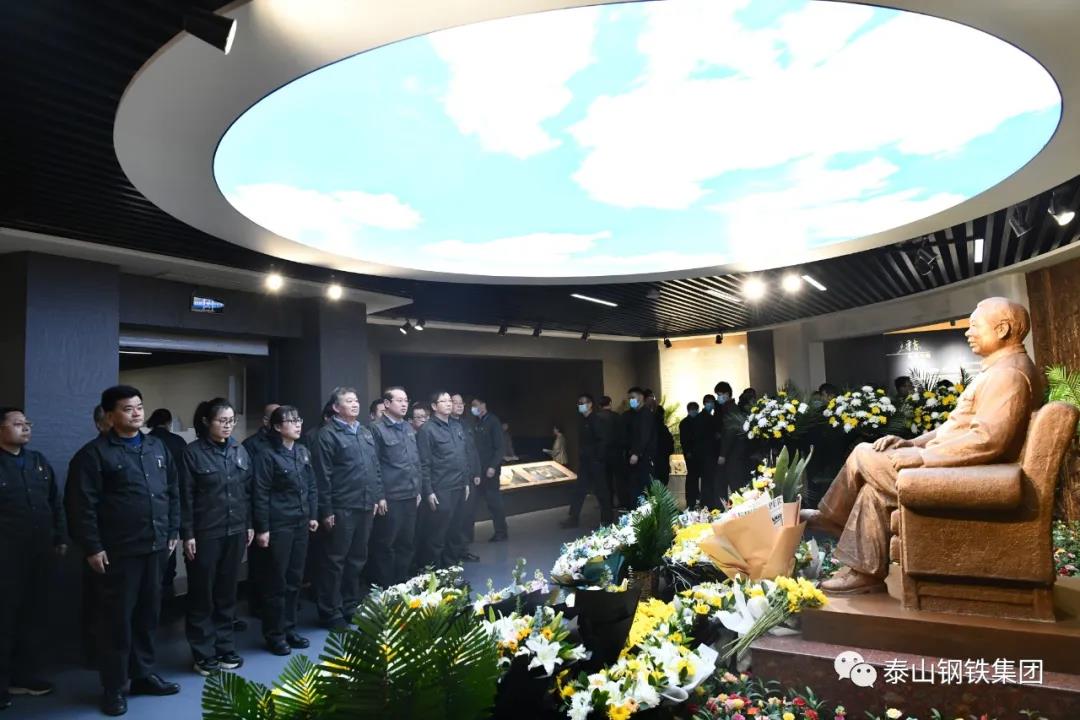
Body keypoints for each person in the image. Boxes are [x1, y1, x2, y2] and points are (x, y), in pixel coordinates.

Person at [803, 298, 1043, 595]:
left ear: (1002, 329)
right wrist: (911, 442)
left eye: (974, 326)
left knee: (863, 453)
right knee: (871, 491)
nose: (968, 332)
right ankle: (865, 572)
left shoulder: (1009, 374)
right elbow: (955, 429)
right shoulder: (1001, 370)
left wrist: (921, 456)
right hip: (960, 467)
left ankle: (830, 518)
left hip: (968, 475)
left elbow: (988, 440)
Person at [66, 385, 180, 717]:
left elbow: (172, 491)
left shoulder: (156, 446)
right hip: (118, 551)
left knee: (148, 615)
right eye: (128, 408)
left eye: (139, 407)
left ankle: (143, 675)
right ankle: (113, 686)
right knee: (116, 621)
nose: (136, 413)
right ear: (110, 415)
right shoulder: (93, 454)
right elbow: (81, 505)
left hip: (155, 545)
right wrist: (92, 546)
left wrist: (173, 530)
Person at [179, 399, 253, 676]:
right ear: (207, 422)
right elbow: (185, 497)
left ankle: (224, 647)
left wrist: (249, 524)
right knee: (202, 594)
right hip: (205, 533)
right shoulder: (192, 454)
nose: (227, 425)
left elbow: (248, 491)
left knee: (226, 593)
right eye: (222, 420)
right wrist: (187, 534)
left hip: (235, 531)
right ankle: (202, 653)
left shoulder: (239, 450)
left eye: (231, 420)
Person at [0, 408, 65, 712]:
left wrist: (60, 537)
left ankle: (23, 676)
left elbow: (55, 501)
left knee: (33, 617)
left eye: (27, 423)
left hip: (39, 554)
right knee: (4, 620)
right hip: (6, 558)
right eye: (17, 424)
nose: (25, 428)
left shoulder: (38, 461)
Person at [312, 387, 384, 630]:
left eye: (356, 400)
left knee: (357, 559)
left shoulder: (364, 432)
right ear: (335, 407)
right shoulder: (327, 435)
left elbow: (374, 467)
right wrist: (326, 510)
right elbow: (322, 476)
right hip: (341, 506)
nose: (355, 404)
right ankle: (329, 611)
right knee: (335, 561)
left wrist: (376, 496)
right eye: (349, 401)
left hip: (365, 504)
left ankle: (350, 606)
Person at [252, 406, 318, 655]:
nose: (298, 424)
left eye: (298, 419)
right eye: (291, 421)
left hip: (300, 521)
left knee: (294, 579)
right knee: (276, 581)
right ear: (278, 427)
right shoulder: (266, 455)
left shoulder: (302, 451)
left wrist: (312, 514)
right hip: (278, 524)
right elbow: (260, 493)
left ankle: (290, 628)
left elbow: (312, 485)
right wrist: (262, 528)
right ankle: (275, 634)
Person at [368, 387, 422, 587]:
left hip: (410, 493)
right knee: (386, 544)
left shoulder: (407, 427)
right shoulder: (376, 428)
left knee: (406, 543)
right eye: (399, 400)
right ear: (387, 403)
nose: (404, 404)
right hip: (391, 496)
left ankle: (402, 583)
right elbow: (373, 465)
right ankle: (387, 587)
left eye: (406, 400)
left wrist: (418, 489)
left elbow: (415, 460)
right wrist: (379, 495)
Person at [415, 391, 472, 569]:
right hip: (441, 488)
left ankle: (451, 570)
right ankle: (433, 573)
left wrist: (466, 482)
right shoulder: (427, 429)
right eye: (444, 401)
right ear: (434, 406)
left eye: (449, 401)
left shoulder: (456, 426)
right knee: (437, 534)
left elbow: (463, 456)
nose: (449, 404)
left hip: (459, 486)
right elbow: (424, 464)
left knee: (455, 531)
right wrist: (428, 491)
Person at [146, 409, 187, 604]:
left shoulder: (147, 442)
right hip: (176, 501)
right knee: (171, 546)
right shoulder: (178, 442)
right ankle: (168, 594)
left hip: (153, 504)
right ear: (169, 422)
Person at [563, 394, 614, 527]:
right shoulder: (582, 421)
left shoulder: (596, 420)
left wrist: (598, 457)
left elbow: (603, 440)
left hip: (595, 461)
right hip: (585, 461)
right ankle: (573, 518)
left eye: (583, 402)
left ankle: (607, 519)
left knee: (601, 490)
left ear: (590, 404)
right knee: (579, 489)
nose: (580, 405)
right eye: (579, 403)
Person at [470, 397, 508, 542]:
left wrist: (493, 466)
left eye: (475, 405)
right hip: (479, 470)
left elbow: (500, 447)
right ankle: (468, 536)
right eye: (472, 406)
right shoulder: (477, 423)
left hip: (490, 471)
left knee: (494, 503)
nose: (473, 408)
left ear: (483, 405)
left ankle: (501, 532)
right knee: (473, 503)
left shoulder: (493, 421)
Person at [452, 394, 483, 560]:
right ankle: (455, 551)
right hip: (455, 479)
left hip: (470, 477)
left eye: (461, 403)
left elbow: (473, 450)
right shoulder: (447, 425)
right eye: (455, 403)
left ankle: (464, 549)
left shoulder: (466, 424)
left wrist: (477, 471)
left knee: (468, 515)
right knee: (457, 517)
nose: (459, 406)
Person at [624, 387, 657, 504]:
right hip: (636, 458)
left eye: (633, 397)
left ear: (641, 397)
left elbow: (644, 436)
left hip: (644, 458)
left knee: (645, 488)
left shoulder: (646, 414)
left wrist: (636, 453)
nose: (630, 400)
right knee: (635, 488)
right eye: (629, 398)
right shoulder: (633, 415)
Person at [597, 396, 626, 509]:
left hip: (603, 454)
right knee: (619, 479)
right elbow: (623, 435)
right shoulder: (617, 417)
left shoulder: (597, 418)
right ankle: (622, 502)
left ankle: (608, 503)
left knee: (606, 480)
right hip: (617, 453)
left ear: (599, 405)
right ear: (610, 403)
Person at [679, 402, 704, 509]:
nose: (694, 411)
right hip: (690, 455)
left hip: (701, 454)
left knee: (701, 477)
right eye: (692, 409)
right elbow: (683, 440)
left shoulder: (701, 421)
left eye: (695, 409)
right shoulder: (684, 423)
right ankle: (691, 501)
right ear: (688, 410)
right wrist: (687, 451)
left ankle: (700, 498)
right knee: (692, 478)